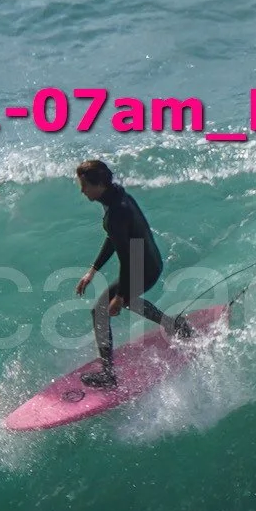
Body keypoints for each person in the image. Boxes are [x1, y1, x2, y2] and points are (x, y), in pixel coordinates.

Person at [72, 159, 191, 386]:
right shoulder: (118, 198)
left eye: (85, 185)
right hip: (150, 262)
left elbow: (127, 256)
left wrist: (120, 295)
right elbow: (115, 237)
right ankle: (174, 326)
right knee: (125, 301)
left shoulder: (116, 212)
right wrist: (93, 270)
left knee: (99, 312)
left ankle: (108, 376)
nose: (82, 190)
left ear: (99, 185)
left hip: (141, 266)